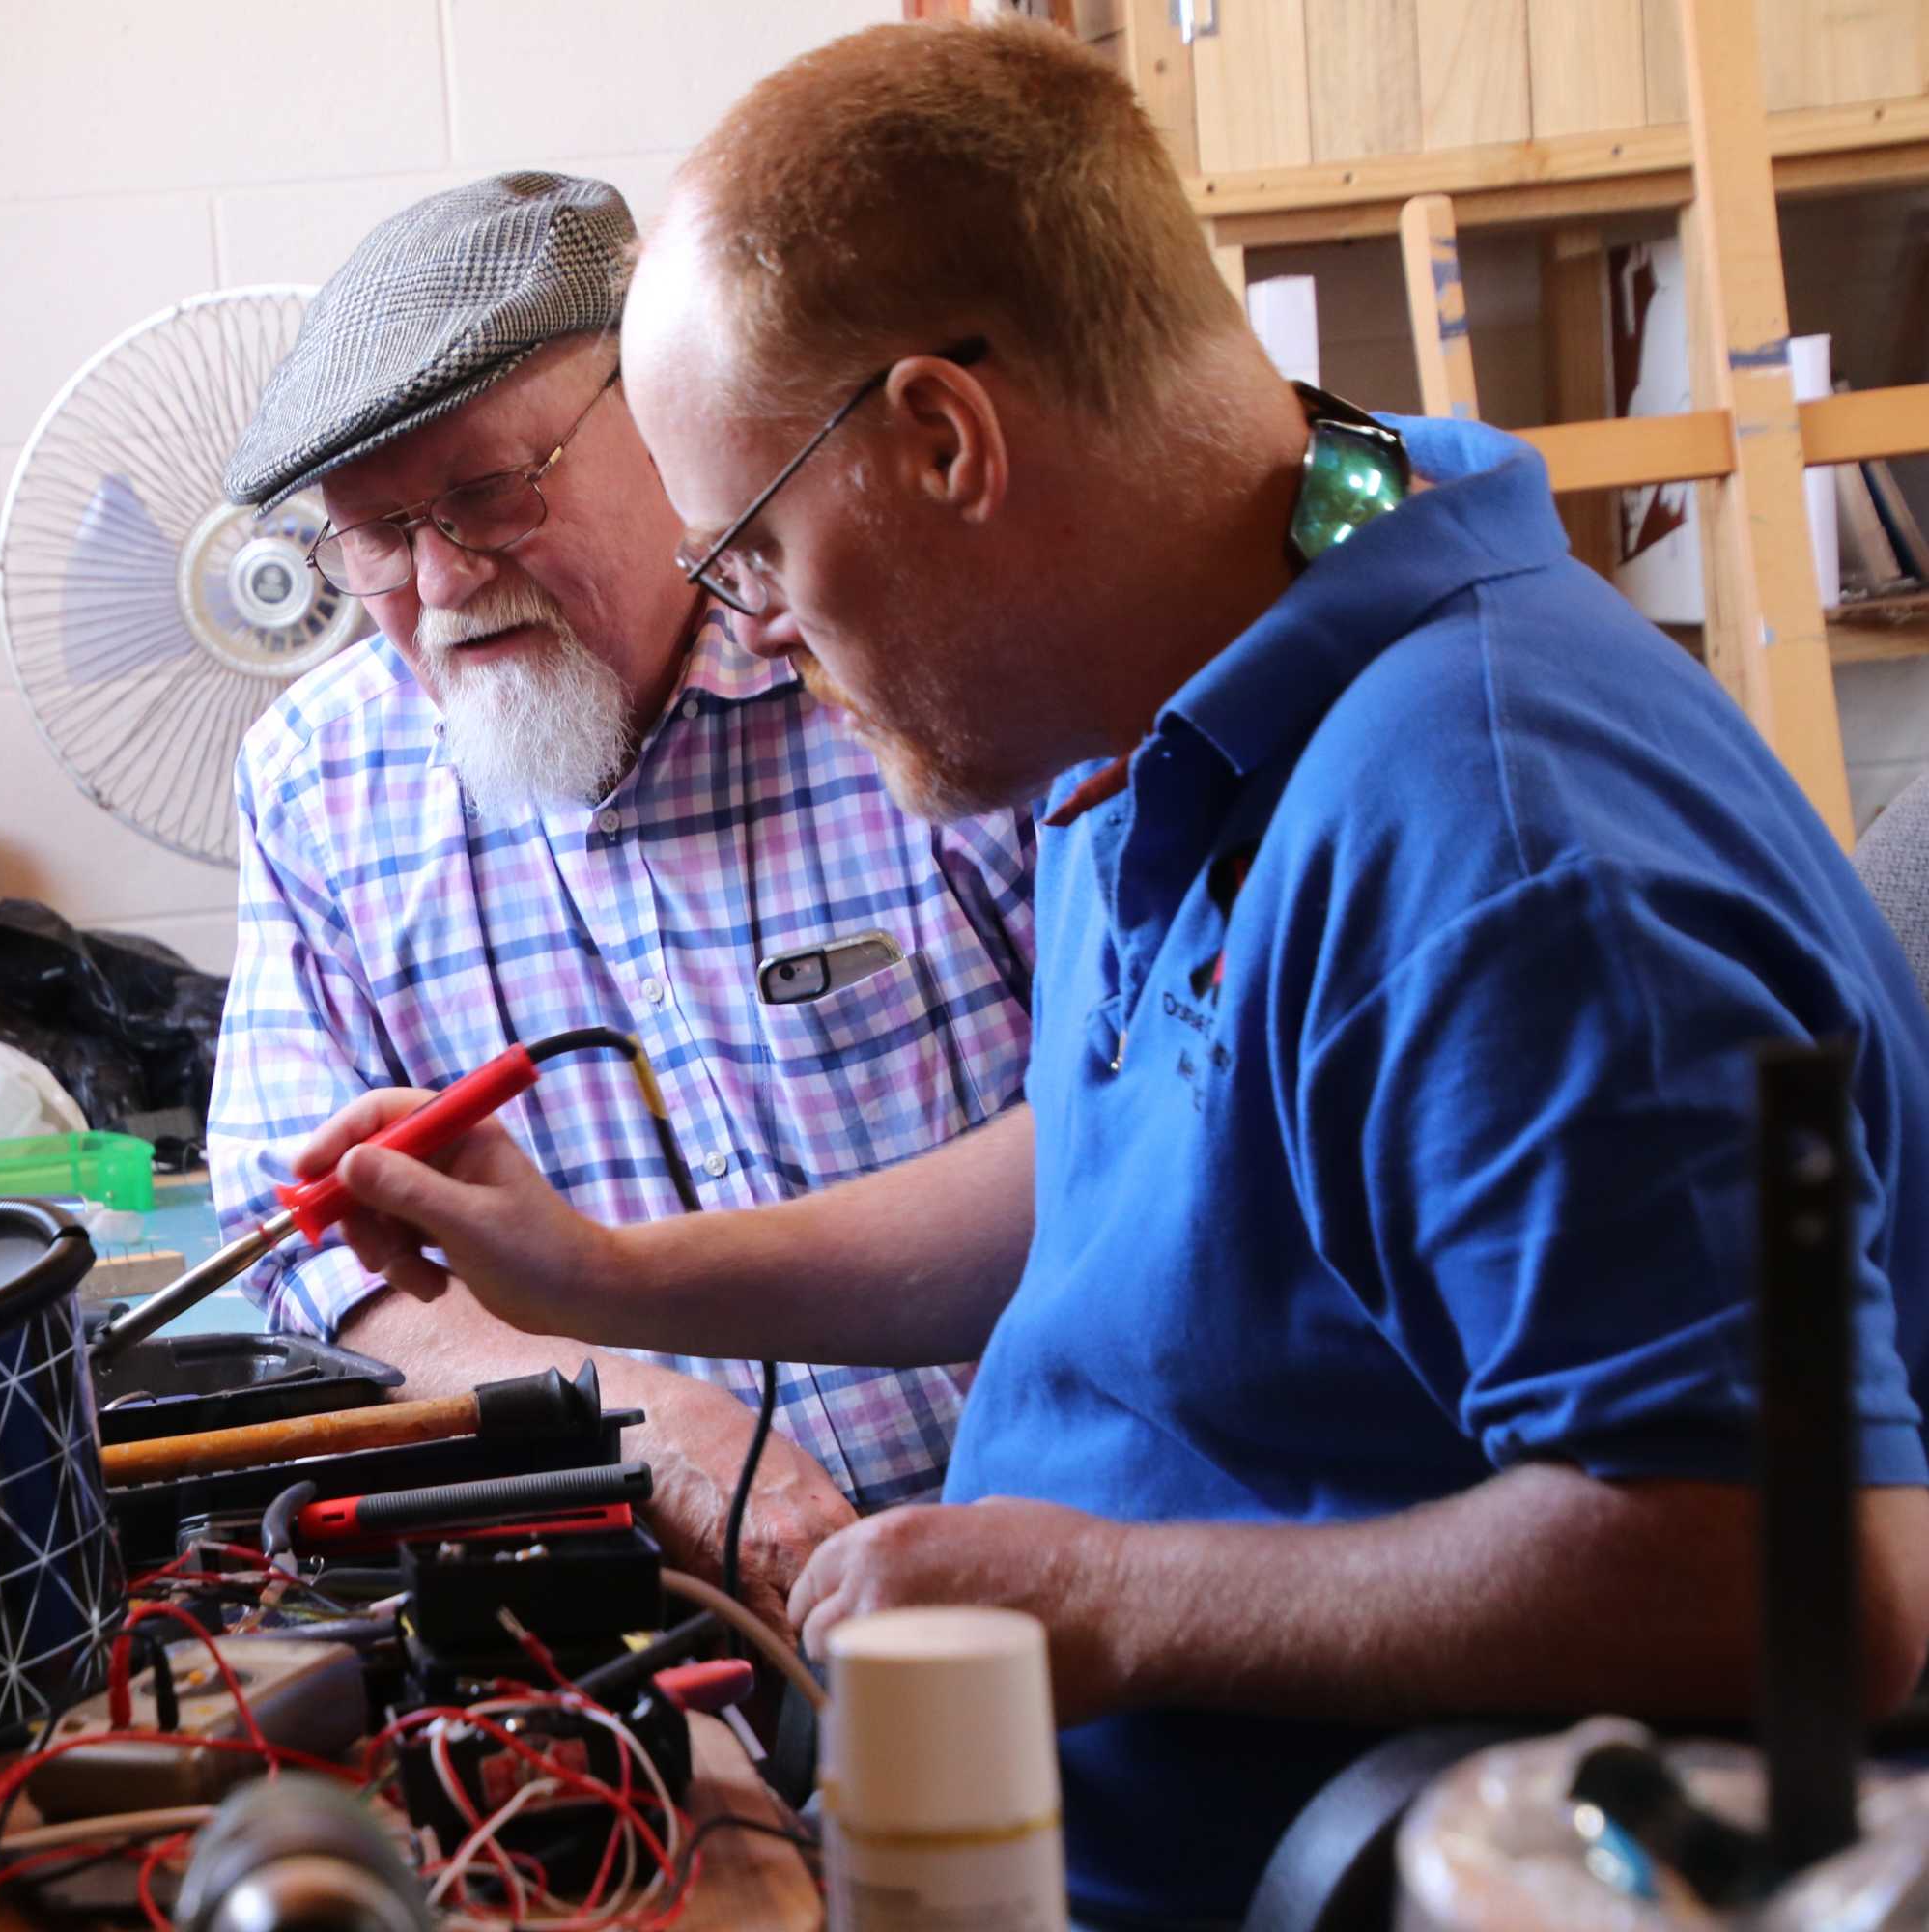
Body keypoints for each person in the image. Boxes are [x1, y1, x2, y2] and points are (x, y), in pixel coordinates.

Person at [285, 23, 1929, 1927]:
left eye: (759, 553)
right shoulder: (1176, 691)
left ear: (941, 441)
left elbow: (1817, 1578)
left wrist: (1105, 1599)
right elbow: (1128, 1165)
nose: (771, 632)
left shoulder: (1506, 854)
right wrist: (608, 1272)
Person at [208, 172, 1038, 1627]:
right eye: (378, 535)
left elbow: (1143, 1124)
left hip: (1069, 1552)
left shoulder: (894, 666)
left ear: (655, 417)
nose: (447, 579)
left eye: (488, 492)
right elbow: (315, 1255)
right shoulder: (316, 784)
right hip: (664, 1610)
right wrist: (652, 1424)